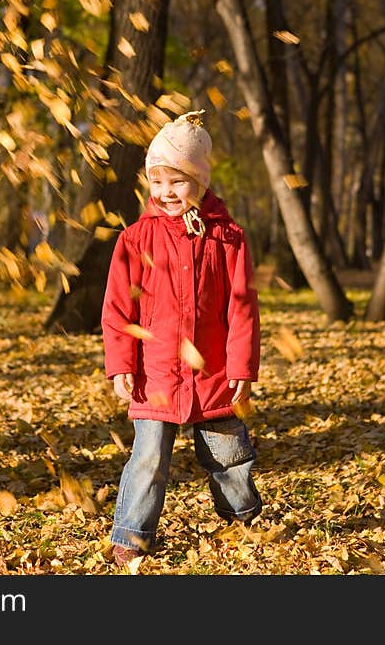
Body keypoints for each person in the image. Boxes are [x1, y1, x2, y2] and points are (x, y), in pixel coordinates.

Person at [101, 110, 262, 566]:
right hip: (156, 374)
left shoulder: (228, 238)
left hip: (213, 373)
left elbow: (242, 308)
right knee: (148, 459)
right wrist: (122, 364)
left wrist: (242, 369)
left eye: (177, 181)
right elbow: (118, 309)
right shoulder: (135, 240)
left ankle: (242, 521)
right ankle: (131, 535)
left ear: (200, 180)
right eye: (156, 182)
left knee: (229, 455)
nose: (166, 192)